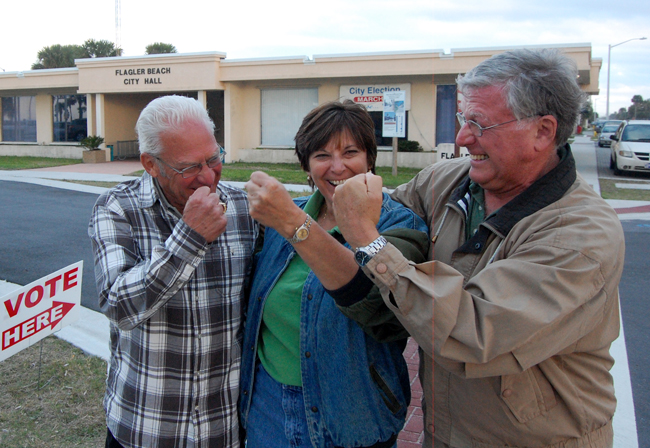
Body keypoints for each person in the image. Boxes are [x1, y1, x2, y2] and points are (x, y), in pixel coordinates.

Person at [331, 49, 625, 448]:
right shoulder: (447, 180)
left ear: (543, 131)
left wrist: (369, 241)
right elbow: (382, 214)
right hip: (445, 432)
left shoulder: (580, 235)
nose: (462, 137)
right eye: (462, 118)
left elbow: (472, 336)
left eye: (479, 123)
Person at [240, 100, 429, 448]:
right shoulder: (281, 217)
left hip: (351, 414)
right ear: (307, 167)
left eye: (351, 152)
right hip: (269, 407)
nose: (338, 167)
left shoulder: (400, 225)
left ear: (370, 159)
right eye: (322, 155)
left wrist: (293, 224)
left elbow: (386, 312)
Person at [88, 95, 257, 448]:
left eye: (214, 158)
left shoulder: (242, 208)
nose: (208, 177)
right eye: (189, 168)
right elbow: (118, 306)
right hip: (145, 425)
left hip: (223, 427)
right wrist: (189, 238)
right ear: (151, 164)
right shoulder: (118, 208)